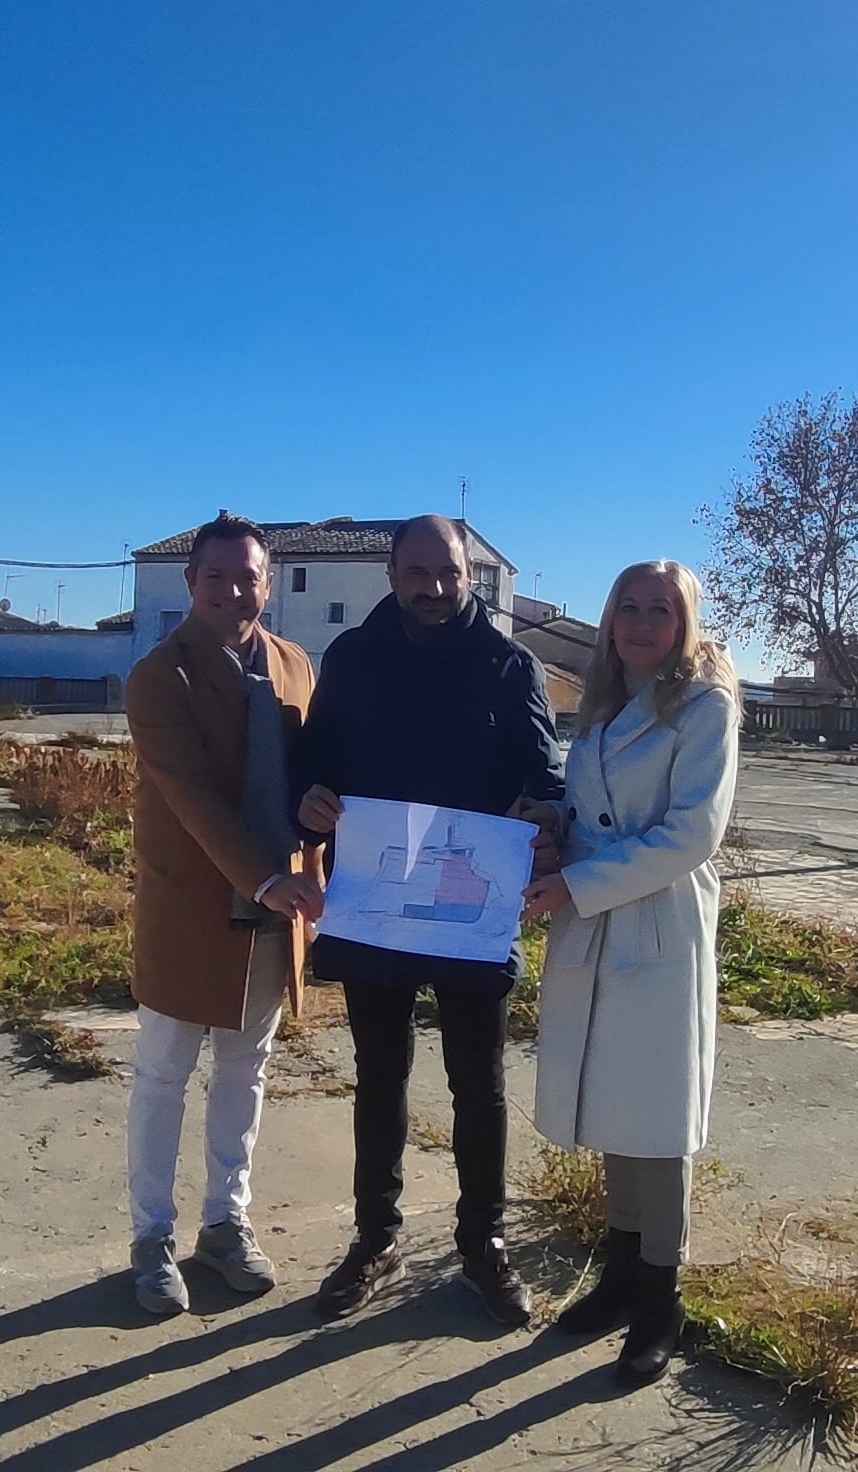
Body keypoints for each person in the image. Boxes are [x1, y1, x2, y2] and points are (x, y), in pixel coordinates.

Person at [293, 514, 565, 1325]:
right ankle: (374, 1240)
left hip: (467, 913)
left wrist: (542, 810)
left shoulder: (510, 665)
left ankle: (484, 1245)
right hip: (375, 910)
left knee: (478, 1086)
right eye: (420, 572)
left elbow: (544, 774)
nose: (436, 588)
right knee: (379, 1078)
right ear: (391, 573)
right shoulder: (351, 659)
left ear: (469, 573)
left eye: (449, 573)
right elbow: (316, 762)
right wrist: (307, 804)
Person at [519, 559, 741, 1386]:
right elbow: (587, 810)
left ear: (686, 623)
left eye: (662, 610)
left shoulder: (704, 707)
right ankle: (617, 1276)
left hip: (656, 924)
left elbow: (692, 836)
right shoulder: (603, 706)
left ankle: (661, 1296)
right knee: (611, 1104)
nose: (644, 623)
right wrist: (547, 826)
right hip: (591, 919)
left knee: (660, 1114)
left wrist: (575, 881)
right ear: (611, 620)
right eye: (631, 608)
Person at [120, 514, 326, 1317]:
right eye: (218, 577)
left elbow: (315, 775)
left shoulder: (296, 666)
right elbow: (191, 796)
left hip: (277, 912)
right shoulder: (159, 676)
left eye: (249, 577)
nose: (235, 590)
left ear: (268, 584)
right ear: (191, 583)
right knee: (164, 1075)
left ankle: (225, 1223)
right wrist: (266, 878)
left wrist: (323, 853)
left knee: (247, 1069)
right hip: (193, 905)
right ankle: (150, 1238)